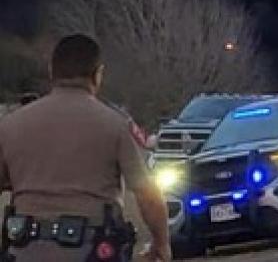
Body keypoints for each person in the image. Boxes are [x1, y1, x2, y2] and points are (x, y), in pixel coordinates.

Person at [0, 34, 172, 261]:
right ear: (98, 74)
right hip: (92, 249)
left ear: (52, 71)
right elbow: (147, 195)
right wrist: (161, 244)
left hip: (24, 249)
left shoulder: (11, 125)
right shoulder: (114, 125)